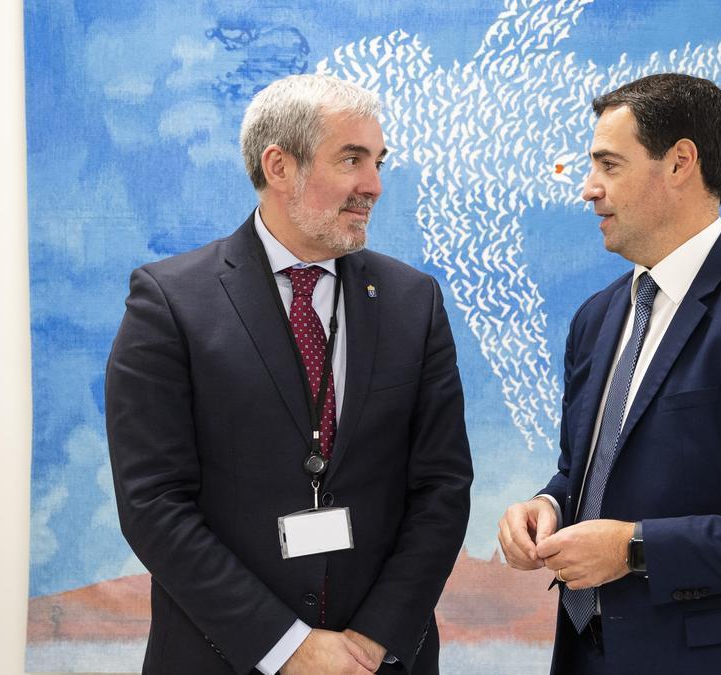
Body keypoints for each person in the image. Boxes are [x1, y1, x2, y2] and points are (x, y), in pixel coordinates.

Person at [106, 74, 473, 675]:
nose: (374, 185)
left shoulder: (414, 300)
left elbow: (443, 486)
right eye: (351, 159)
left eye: (378, 162)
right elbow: (153, 504)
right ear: (279, 165)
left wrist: (374, 641)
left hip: (379, 660)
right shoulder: (169, 302)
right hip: (223, 657)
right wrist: (287, 647)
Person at [498, 73, 721, 674]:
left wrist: (636, 549)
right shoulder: (596, 318)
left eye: (608, 165)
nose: (588, 189)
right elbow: (590, 473)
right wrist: (549, 505)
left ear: (679, 163)